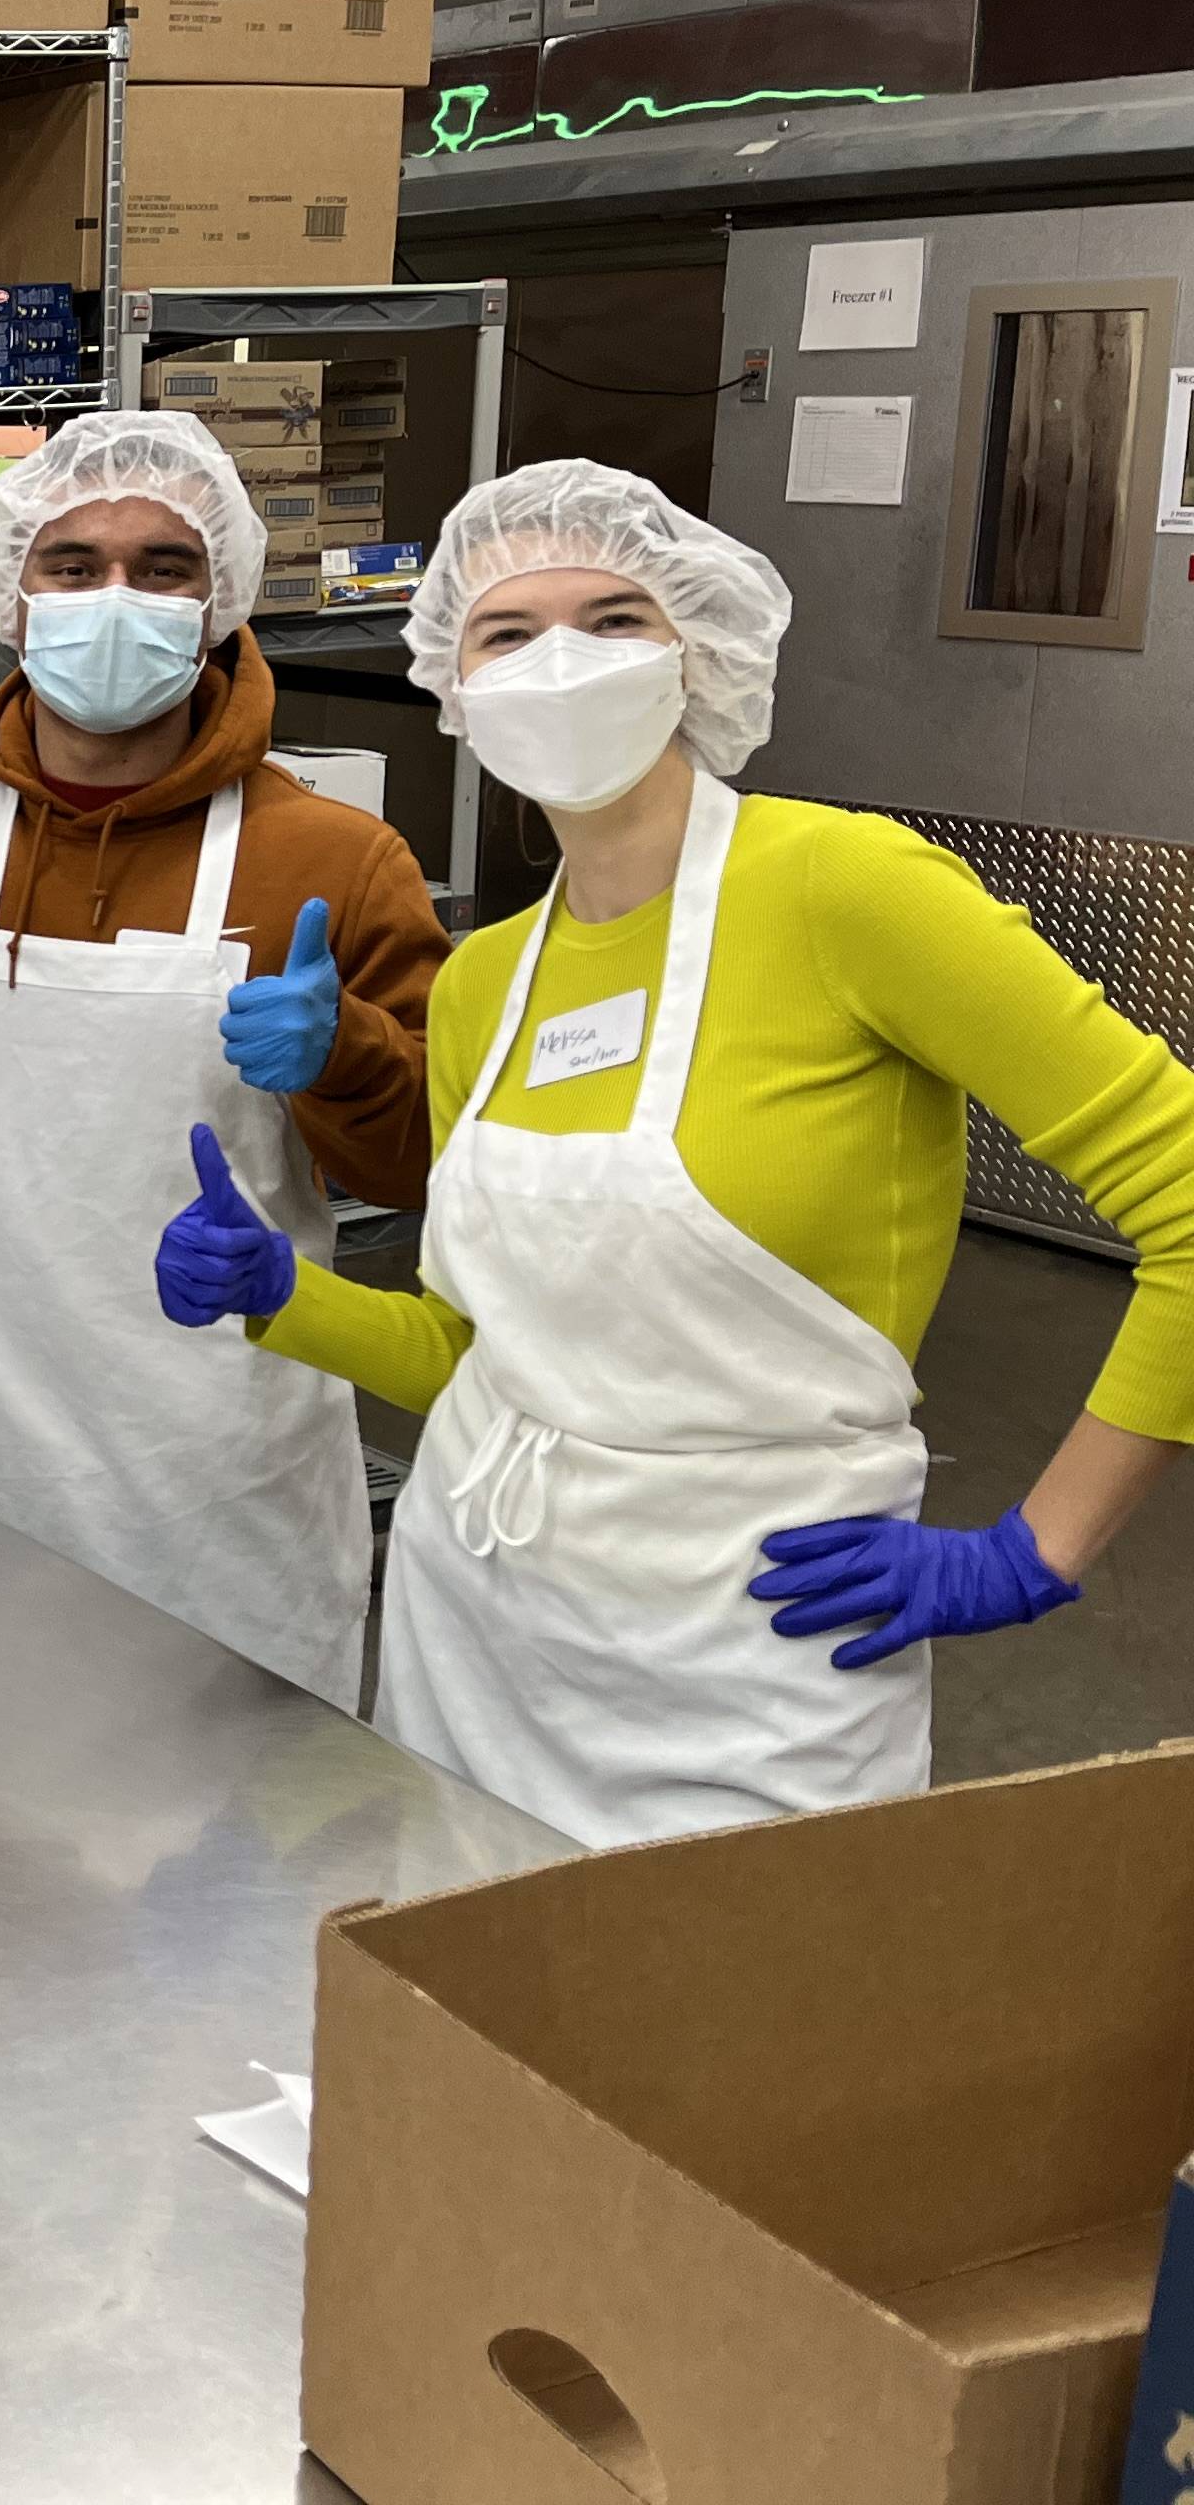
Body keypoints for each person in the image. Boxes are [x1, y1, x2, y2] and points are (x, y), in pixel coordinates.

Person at [155, 462, 1194, 1844]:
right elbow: (489, 1357)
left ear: (695, 652)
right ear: (455, 693)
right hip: (476, 1632)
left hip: (758, 1645)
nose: (561, 663)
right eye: (506, 635)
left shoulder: (848, 892)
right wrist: (287, 1302)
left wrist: (1037, 1546)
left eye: (615, 619)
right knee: (460, 2022)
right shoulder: (486, 982)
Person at [0, 410, 444, 1706]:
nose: (118, 598)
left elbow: (425, 1164)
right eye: (73, 565)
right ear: (13, 598)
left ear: (219, 604)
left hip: (226, 1491)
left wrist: (349, 1057)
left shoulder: (333, 861)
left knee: (231, 1887)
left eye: (163, 570)